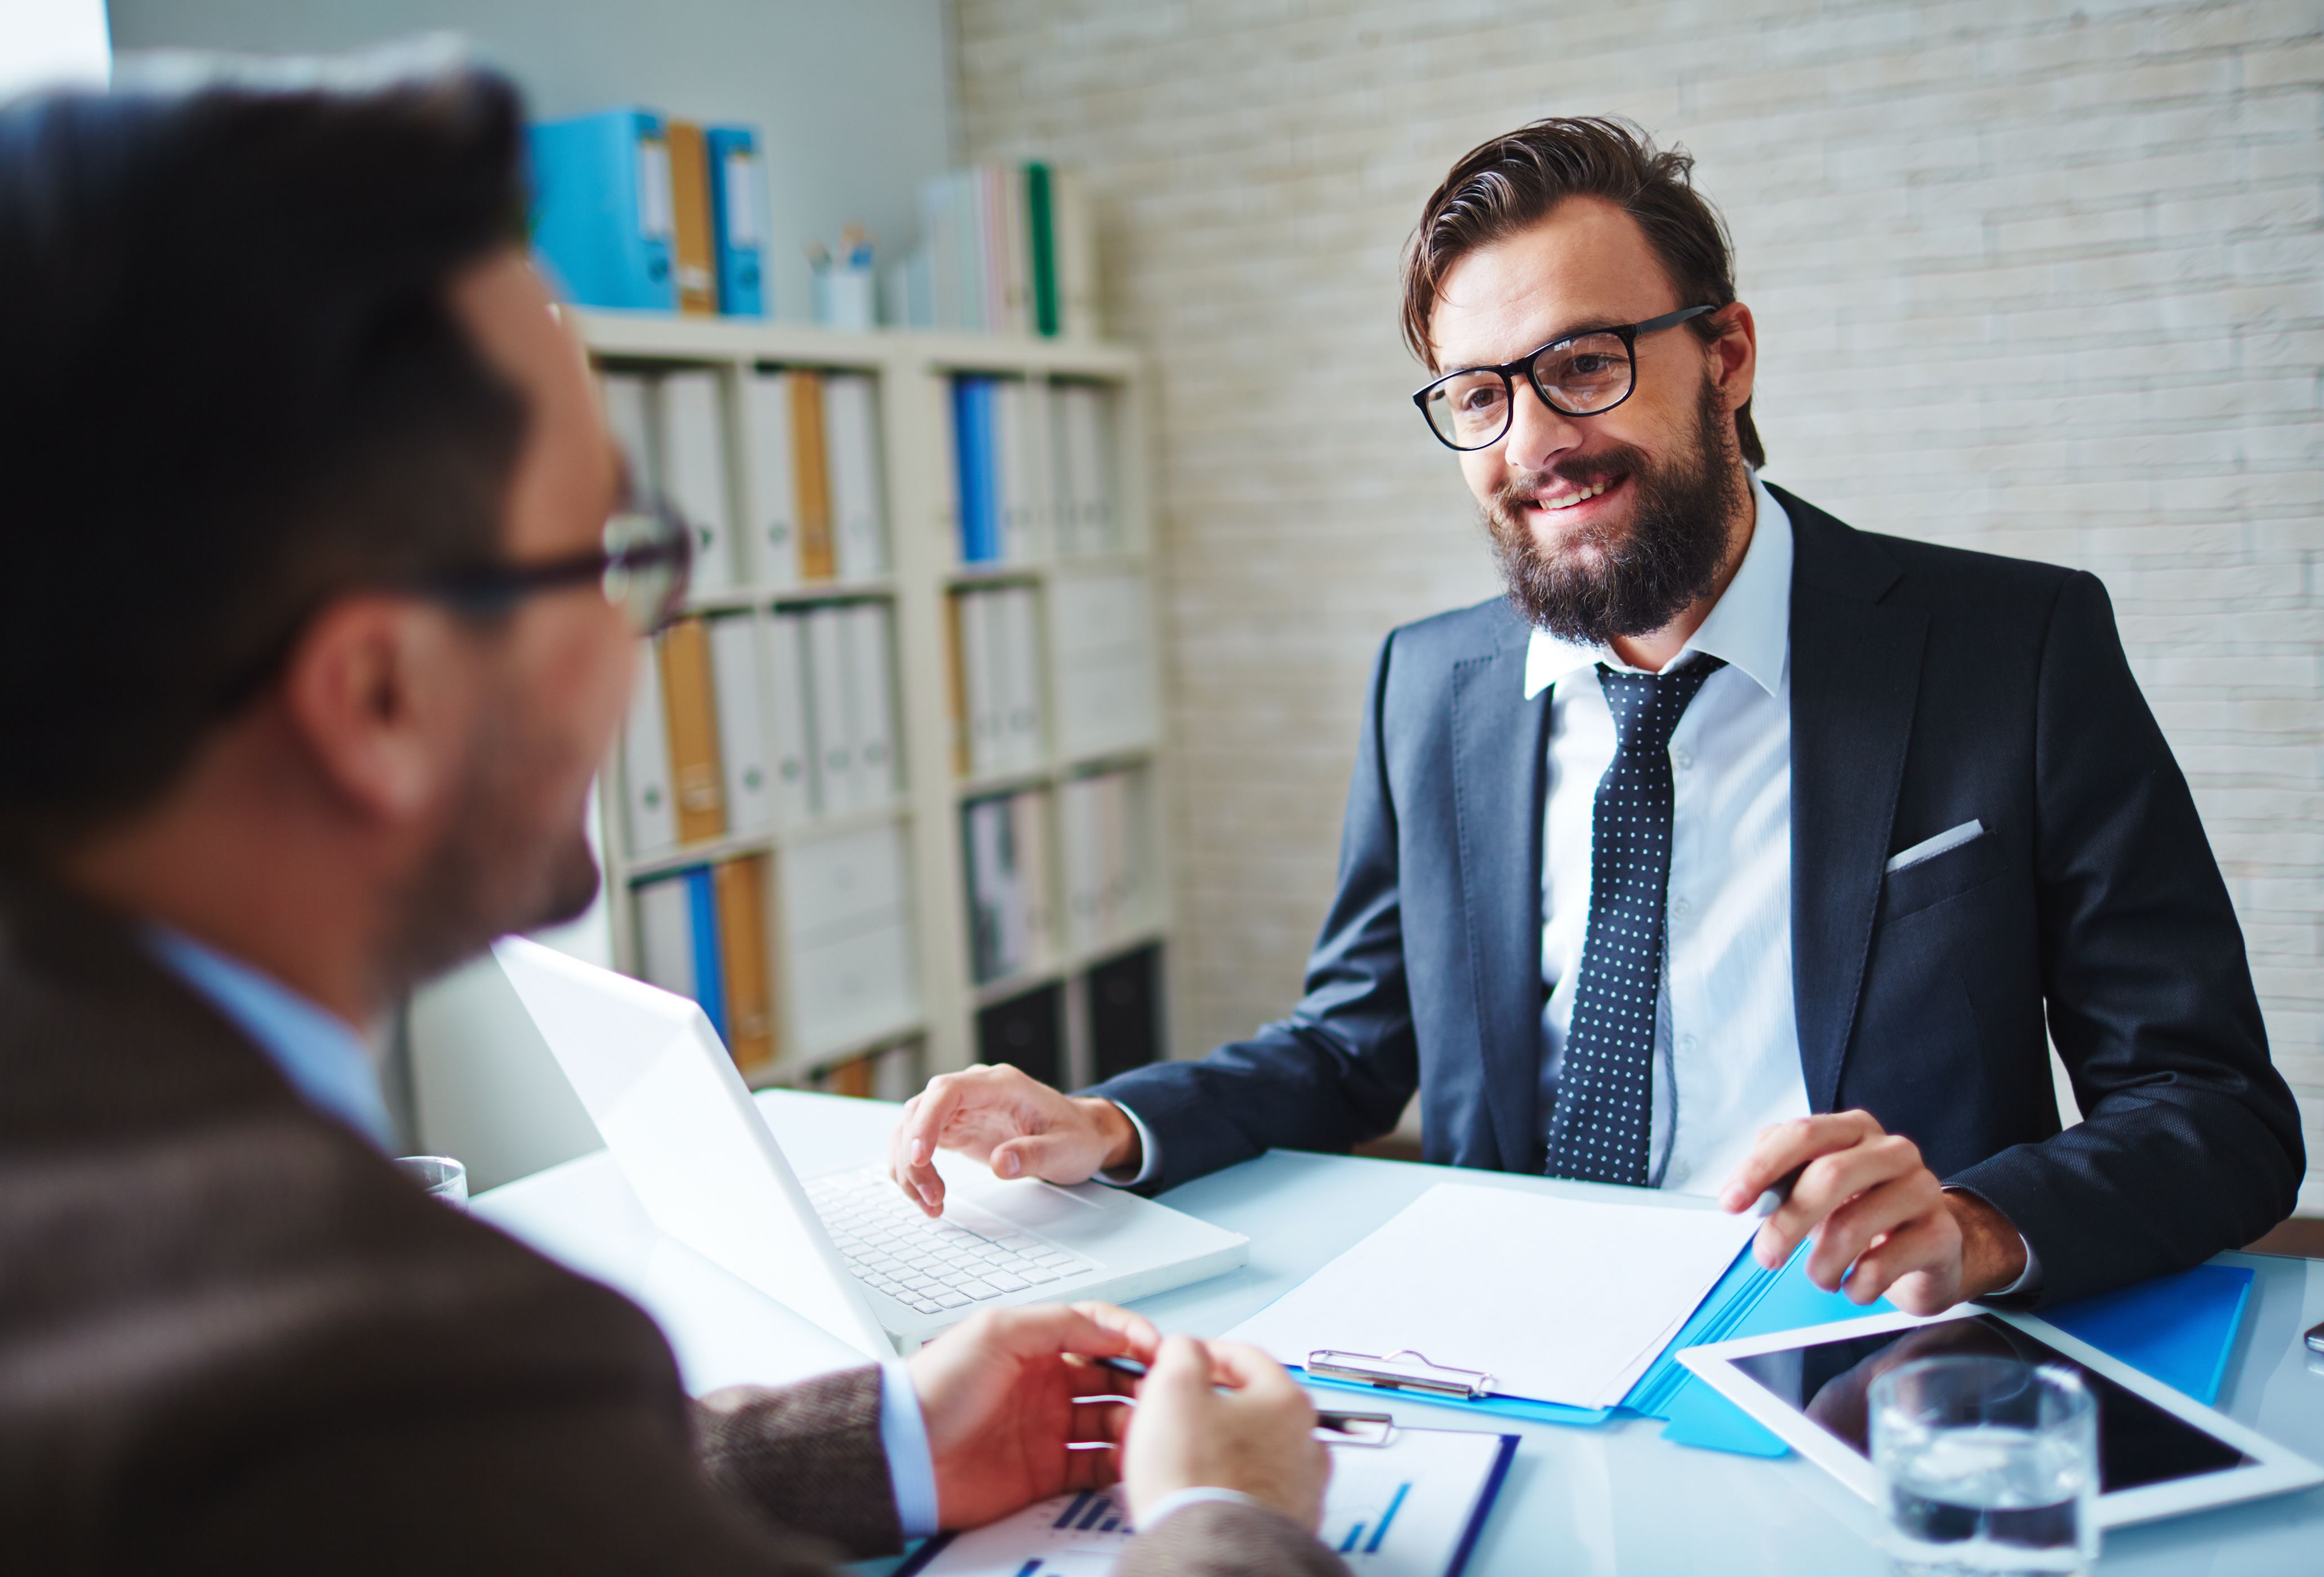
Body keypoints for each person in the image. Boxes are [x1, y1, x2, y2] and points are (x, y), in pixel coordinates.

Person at [0, 63, 1342, 1575]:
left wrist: (883, 1443)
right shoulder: (357, 1367)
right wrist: (1227, 1522)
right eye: (614, 558)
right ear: (376, 697)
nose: (649, 638)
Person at [893, 117, 2306, 1315]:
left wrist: (1981, 1223)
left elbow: (2216, 1109)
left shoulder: (2015, 649)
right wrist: (1111, 1123)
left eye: (1584, 365)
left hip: (1858, 1331)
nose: (1534, 444)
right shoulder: (1429, 685)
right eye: (1478, 394)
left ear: (1729, 356)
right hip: (1519, 1325)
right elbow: (1353, 1039)